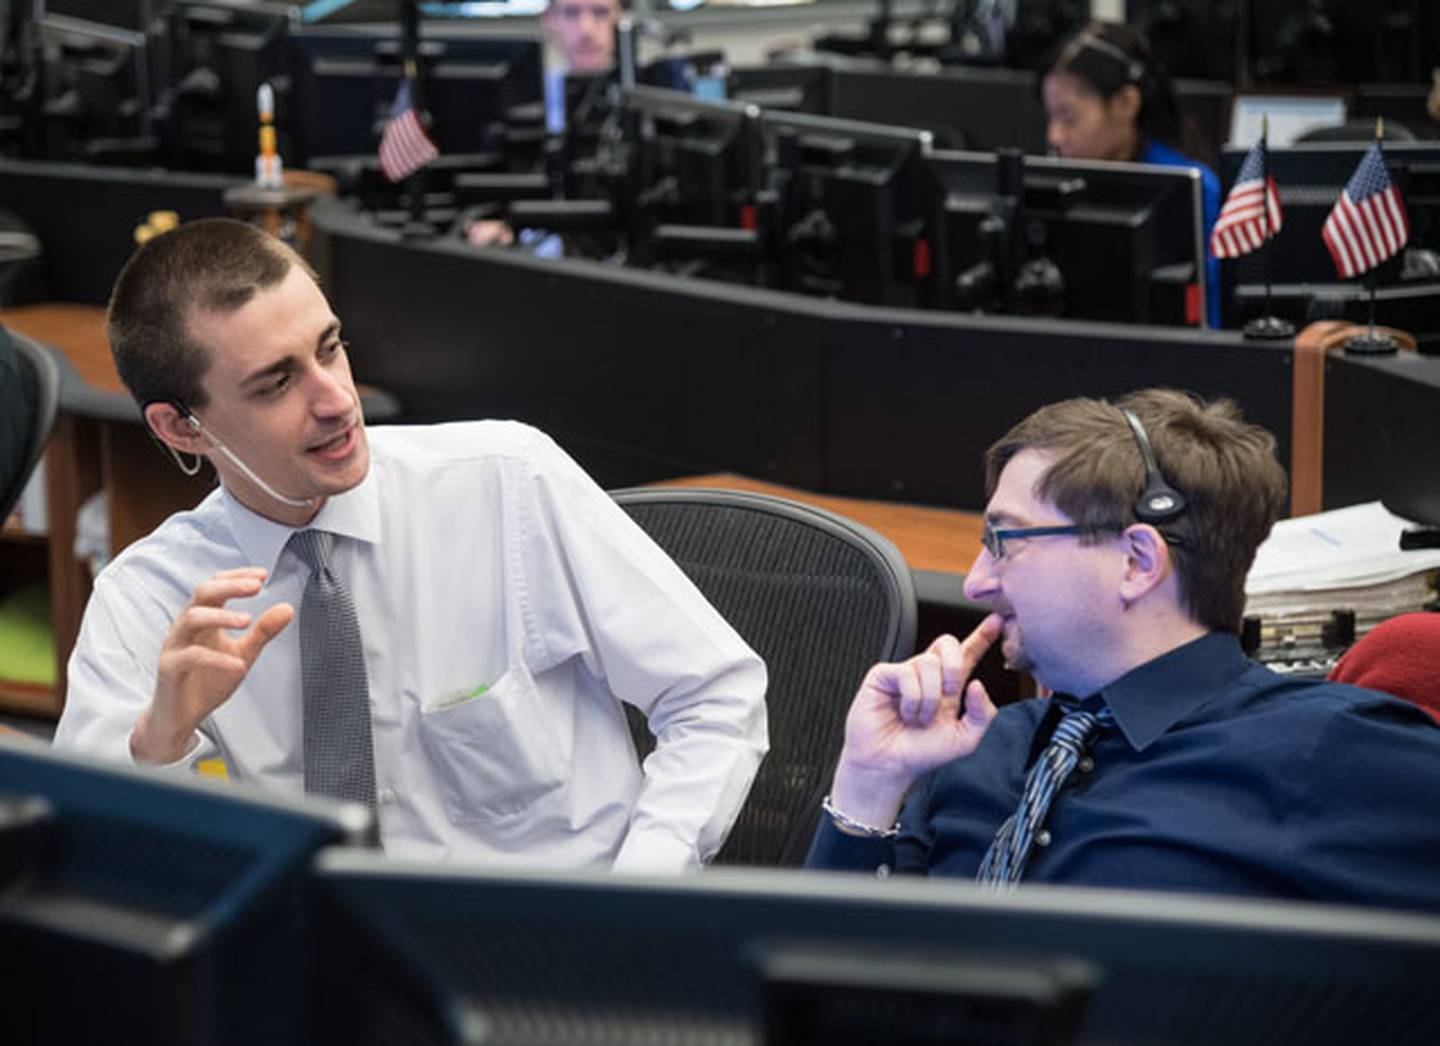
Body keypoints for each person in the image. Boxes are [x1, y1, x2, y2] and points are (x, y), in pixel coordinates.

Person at [52, 218, 768, 873]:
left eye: (330, 348)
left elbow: (714, 695)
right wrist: (161, 745)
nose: (335, 398)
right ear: (182, 429)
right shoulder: (146, 606)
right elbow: (101, 873)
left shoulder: (507, 482)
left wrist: (640, 899)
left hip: (557, 955)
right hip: (315, 984)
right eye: (277, 383)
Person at [808, 388, 1440, 911]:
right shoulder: (975, 748)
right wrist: (870, 785)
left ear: (1138, 561)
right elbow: (828, 995)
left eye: (1005, 540)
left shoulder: (1324, 751)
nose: (976, 581)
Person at [1038, 22, 1223, 328]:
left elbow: (1210, 320)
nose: (1054, 135)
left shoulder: (1193, 190)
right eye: (1050, 117)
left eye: (1068, 118)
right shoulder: (1058, 185)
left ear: (1125, 104)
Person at [466, 0, 622, 250]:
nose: (586, 29)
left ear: (619, 18)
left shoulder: (642, 105)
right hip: (532, 259)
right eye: (571, 13)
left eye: (600, 12)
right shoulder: (515, 96)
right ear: (548, 20)